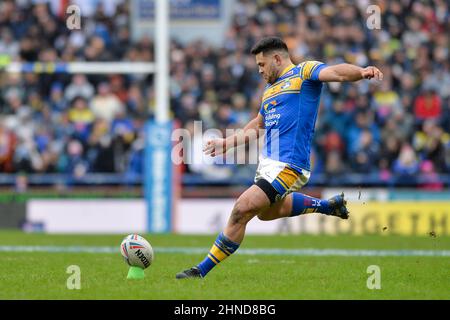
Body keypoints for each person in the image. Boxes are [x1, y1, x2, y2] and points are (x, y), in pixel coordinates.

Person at [176, 37, 383, 279]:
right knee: (264, 213)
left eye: (262, 65)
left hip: (290, 164)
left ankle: (200, 271)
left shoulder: (303, 72)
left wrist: (361, 71)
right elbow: (258, 124)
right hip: (268, 164)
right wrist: (227, 143)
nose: (260, 70)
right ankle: (327, 206)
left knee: (241, 209)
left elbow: (336, 72)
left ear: (277, 58)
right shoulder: (269, 91)